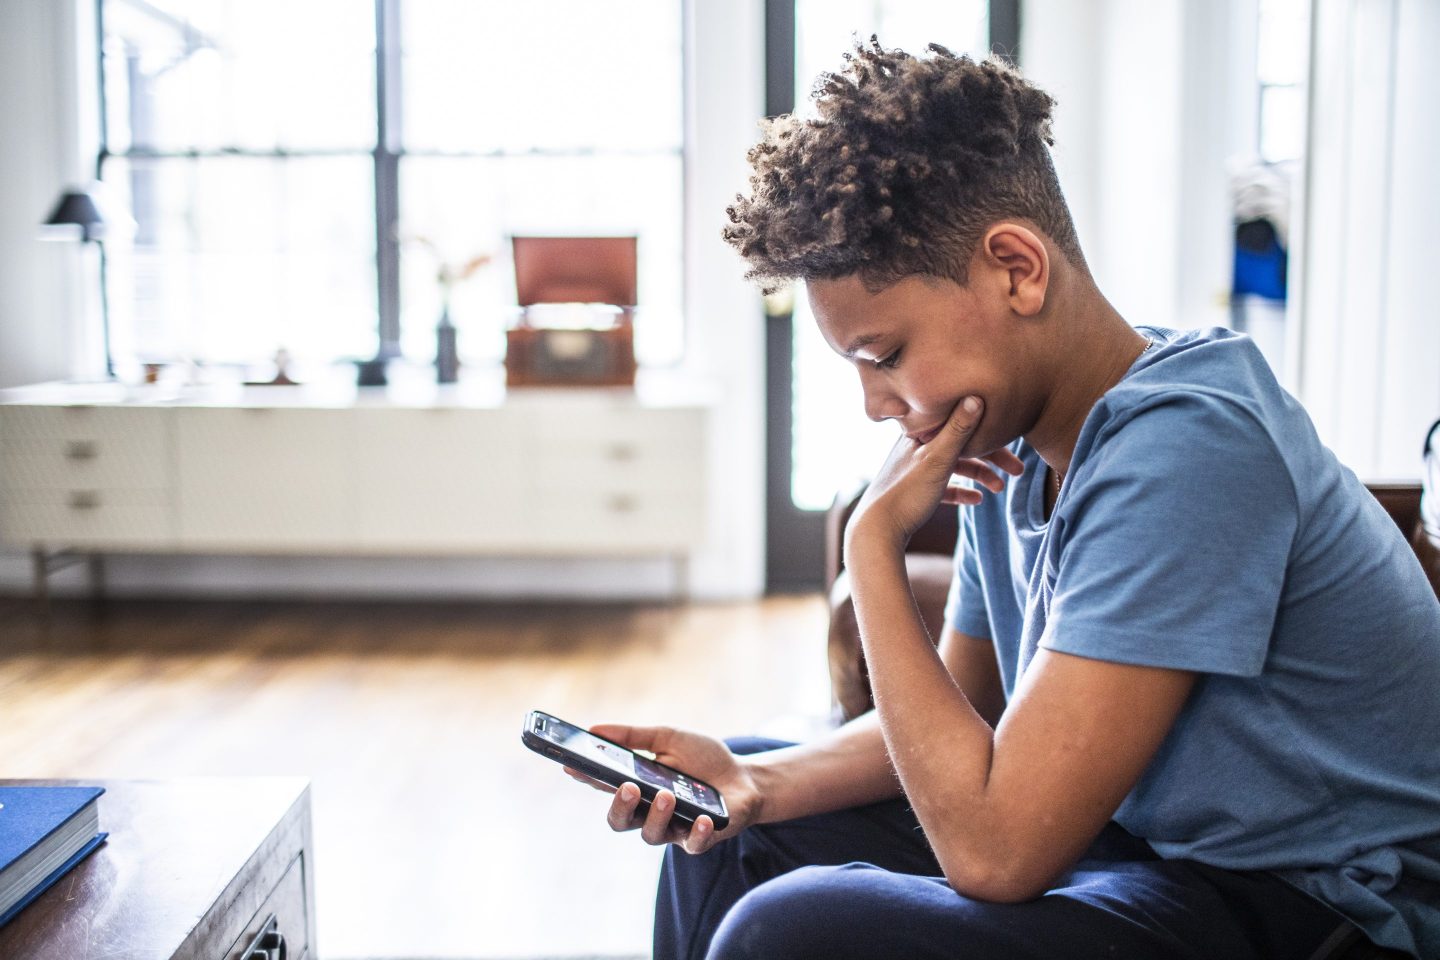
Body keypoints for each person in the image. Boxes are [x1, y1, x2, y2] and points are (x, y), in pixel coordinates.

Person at [572, 40, 1440, 959]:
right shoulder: (1010, 442)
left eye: (885, 356)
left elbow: (997, 851)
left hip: (1324, 908)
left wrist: (874, 546)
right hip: (1152, 850)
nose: (875, 404)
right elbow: (968, 717)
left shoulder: (1194, 444)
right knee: (727, 845)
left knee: (784, 931)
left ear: (1017, 269)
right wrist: (753, 780)